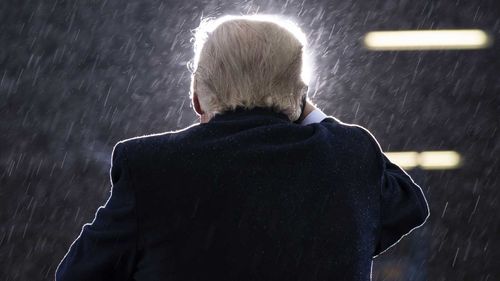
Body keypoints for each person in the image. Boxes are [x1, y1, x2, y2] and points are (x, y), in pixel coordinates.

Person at [55, 15, 430, 281]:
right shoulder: (349, 155)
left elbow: (78, 273)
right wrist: (306, 109)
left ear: (197, 99)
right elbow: (409, 205)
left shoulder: (151, 168)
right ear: (300, 97)